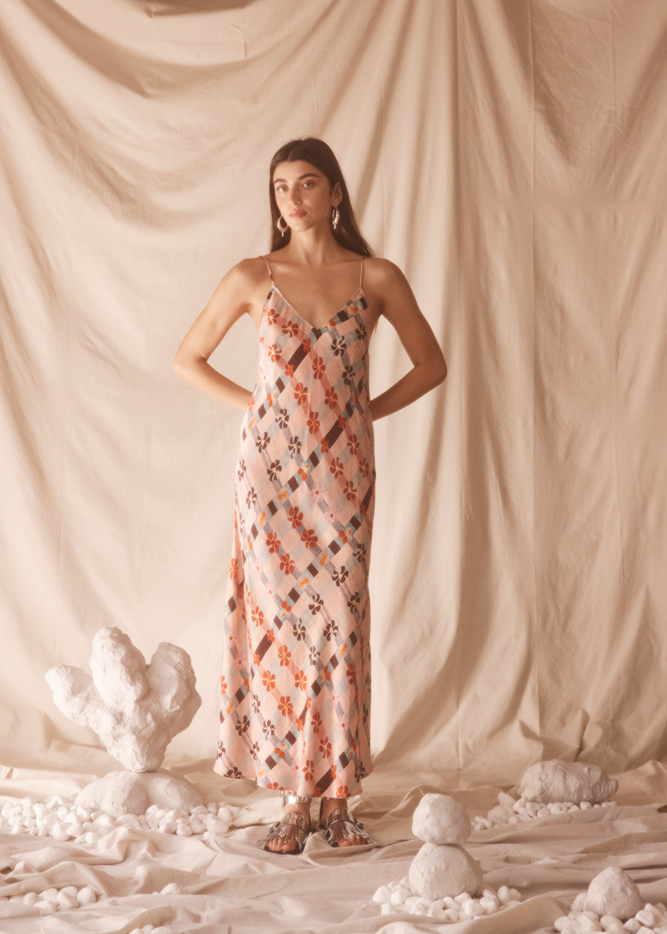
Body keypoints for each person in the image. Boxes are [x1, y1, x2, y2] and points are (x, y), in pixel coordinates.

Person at [173, 138, 447, 854]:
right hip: (267, 480)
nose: (291, 200)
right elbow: (187, 358)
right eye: (280, 188)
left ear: (334, 194)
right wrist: (260, 408)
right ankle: (296, 796)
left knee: (340, 624)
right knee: (283, 634)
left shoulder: (375, 275)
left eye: (306, 185)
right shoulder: (251, 276)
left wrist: (357, 415)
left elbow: (431, 364)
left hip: (344, 478)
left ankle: (338, 799)